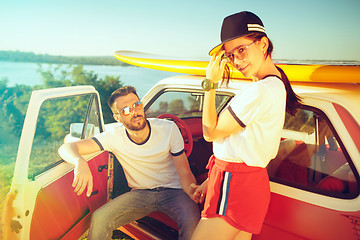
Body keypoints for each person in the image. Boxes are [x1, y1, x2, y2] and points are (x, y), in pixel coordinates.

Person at [191, 11, 302, 240]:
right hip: (248, 183)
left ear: (263, 45)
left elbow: (210, 133)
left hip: (235, 184)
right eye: (230, 56)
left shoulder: (261, 91)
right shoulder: (273, 84)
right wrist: (213, 179)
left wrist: (210, 83)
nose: (237, 61)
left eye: (241, 50)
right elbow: (238, 144)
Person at [58, 85, 200, 240]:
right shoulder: (113, 136)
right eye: (126, 109)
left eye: (137, 105)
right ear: (118, 118)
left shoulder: (169, 129)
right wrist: (79, 161)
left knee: (193, 222)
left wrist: (192, 191)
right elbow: (66, 147)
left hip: (175, 192)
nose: (135, 111)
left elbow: (184, 172)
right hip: (141, 193)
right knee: (100, 217)